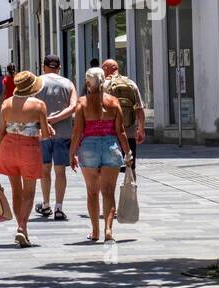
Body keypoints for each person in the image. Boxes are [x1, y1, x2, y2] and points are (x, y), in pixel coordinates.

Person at [0, 70, 52, 247]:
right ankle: (22, 228)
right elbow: (45, 135)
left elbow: (0, 133)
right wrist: (41, 130)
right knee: (29, 192)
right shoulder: (39, 105)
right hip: (28, 148)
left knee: (16, 190)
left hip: (7, 148)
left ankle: (20, 226)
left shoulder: (6, 104)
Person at [70, 67, 129, 242]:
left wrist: (71, 153)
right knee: (108, 192)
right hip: (111, 146)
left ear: (89, 83)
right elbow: (121, 131)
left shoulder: (82, 102)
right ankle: (108, 230)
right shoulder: (114, 102)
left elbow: (77, 131)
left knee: (92, 192)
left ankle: (95, 232)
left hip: (89, 147)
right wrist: (128, 153)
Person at [35, 54, 78, 220]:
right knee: (60, 171)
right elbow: (74, 106)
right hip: (63, 132)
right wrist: (57, 118)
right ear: (59, 67)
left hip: (42, 133)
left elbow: (32, 106)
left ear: (44, 66)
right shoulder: (68, 83)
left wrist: (46, 121)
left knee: (45, 169)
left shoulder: (37, 82)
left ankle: (46, 205)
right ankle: (59, 208)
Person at [102, 58, 145, 170]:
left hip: (110, 135)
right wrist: (141, 130)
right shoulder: (131, 84)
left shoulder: (104, 85)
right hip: (129, 133)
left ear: (106, 69)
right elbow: (140, 109)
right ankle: (131, 187)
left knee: (110, 171)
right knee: (129, 169)